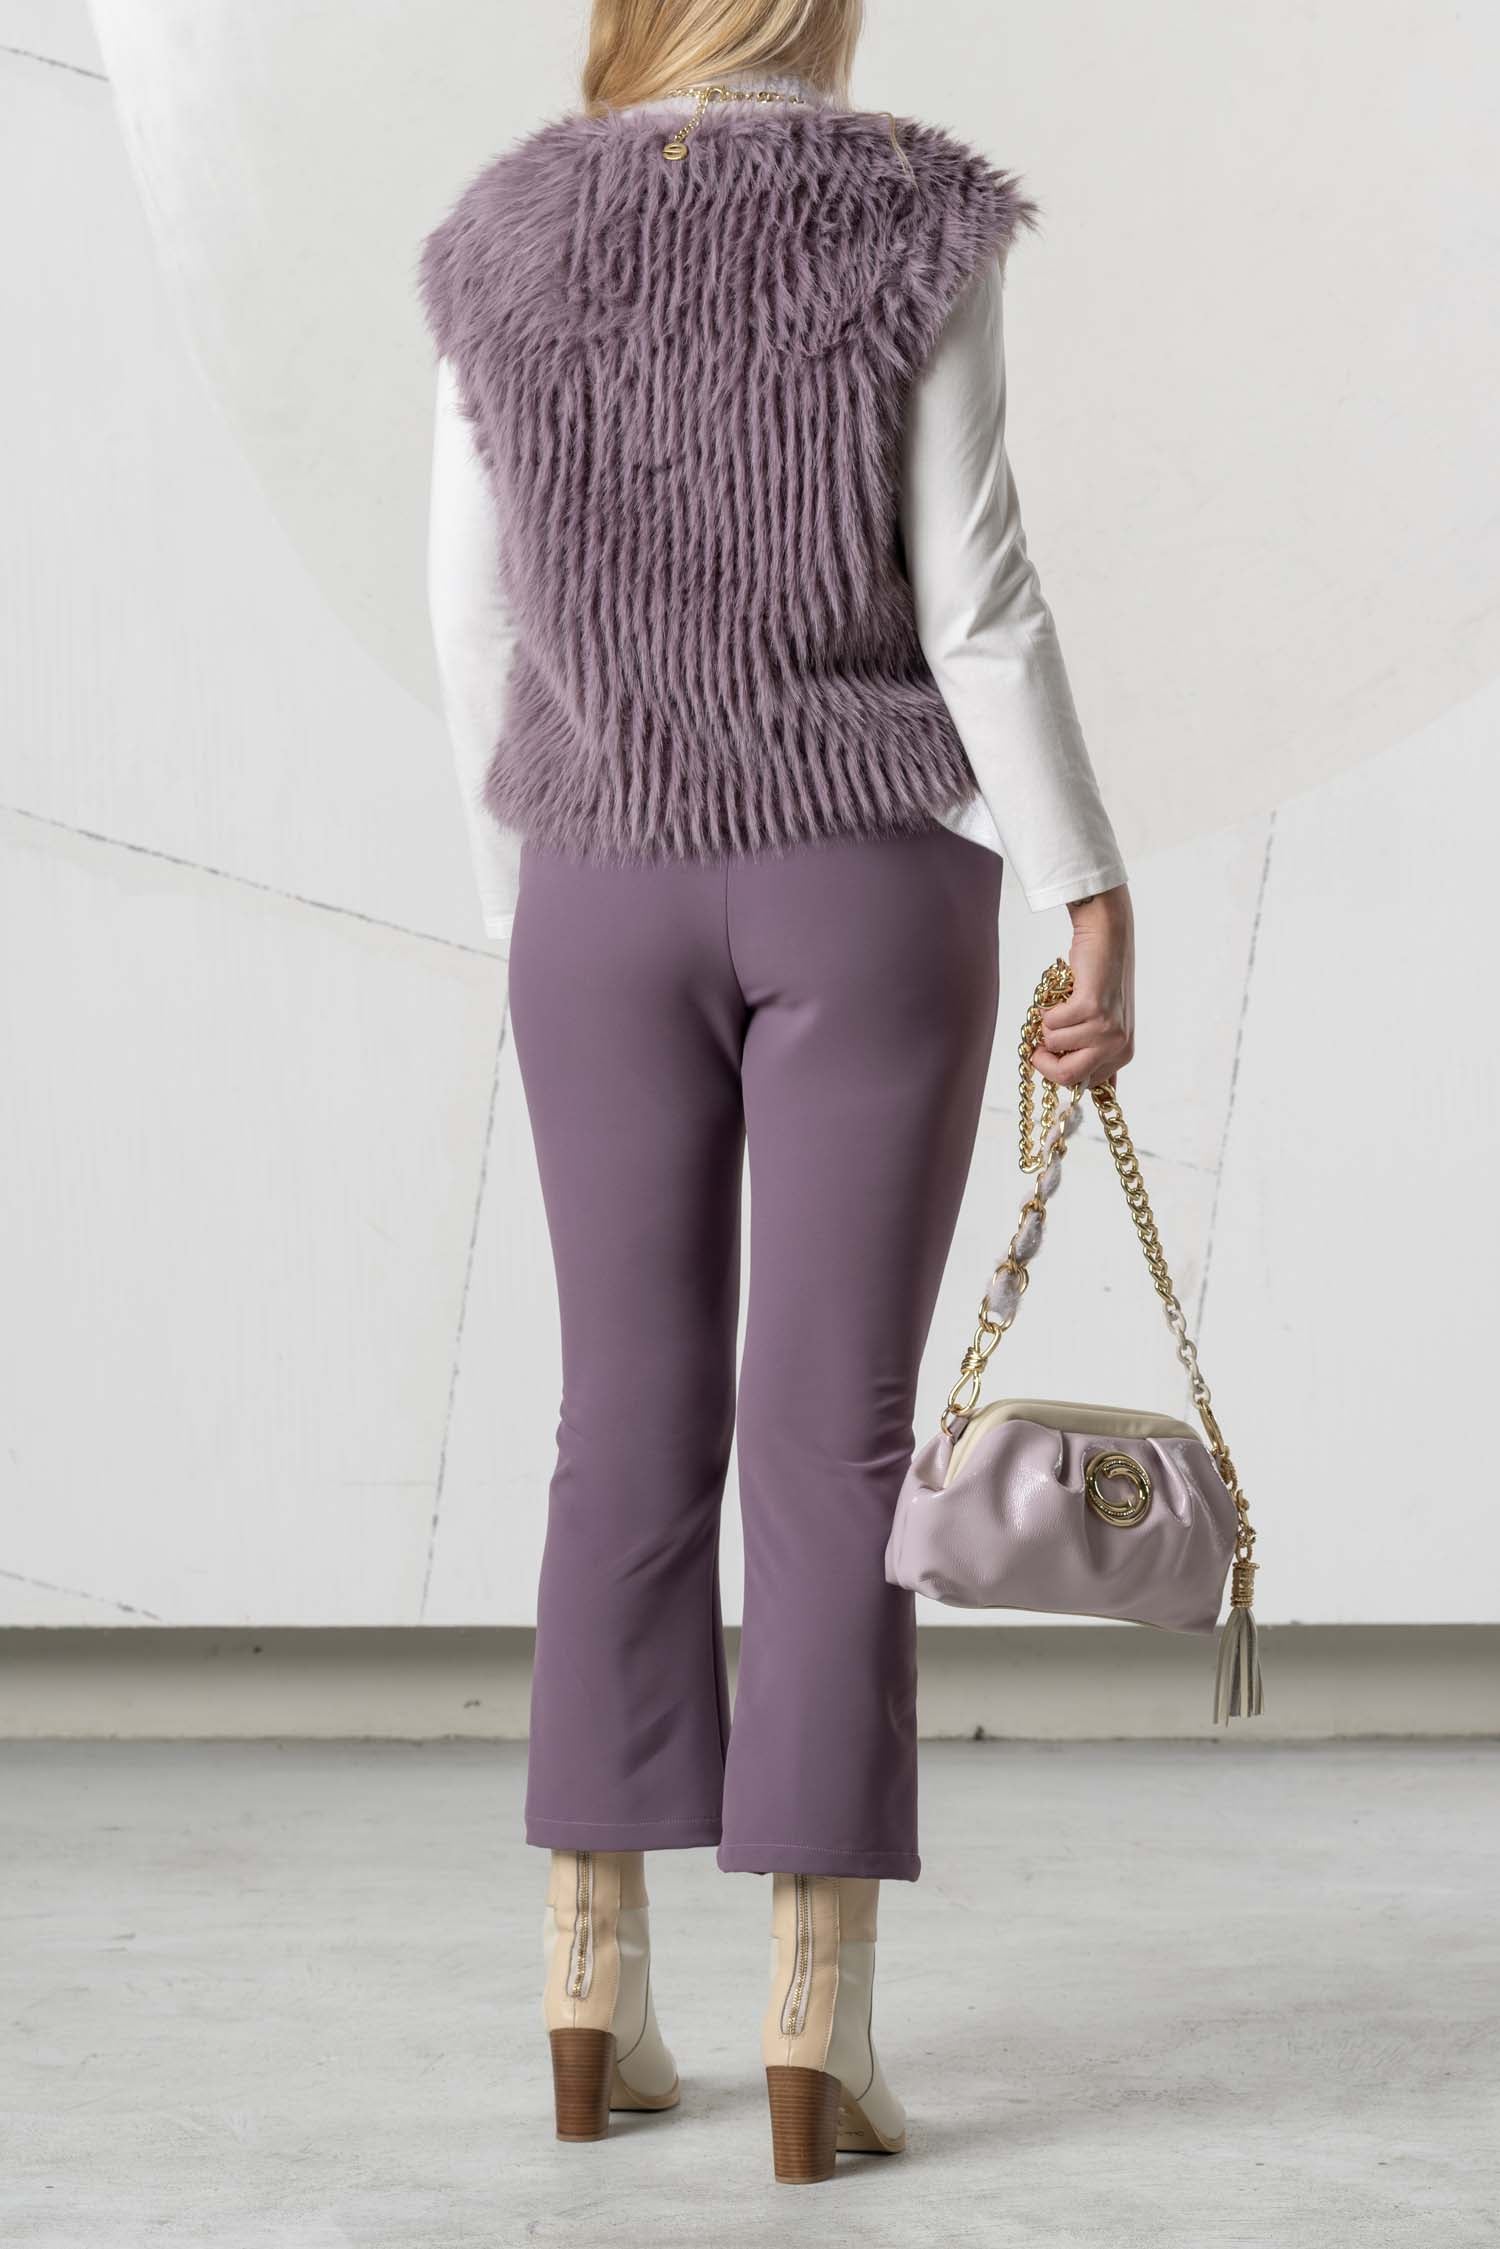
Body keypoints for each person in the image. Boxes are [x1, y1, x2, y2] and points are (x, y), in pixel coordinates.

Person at [420, 0, 1133, 2185]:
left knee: (617, 1425)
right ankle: (818, 2022)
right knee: (833, 1444)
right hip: (862, 883)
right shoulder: (911, 213)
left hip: (597, 884)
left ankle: (588, 1981)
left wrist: (527, 903)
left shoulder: (505, 231)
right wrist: (1088, 886)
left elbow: (472, 611)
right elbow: (978, 598)